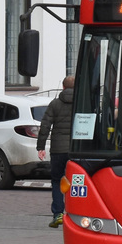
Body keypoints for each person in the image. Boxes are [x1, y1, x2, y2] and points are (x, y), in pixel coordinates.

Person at [36, 76, 75, 228]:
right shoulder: (82, 103)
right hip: (76, 150)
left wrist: (41, 146)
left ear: (63, 88)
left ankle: (58, 213)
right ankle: (74, 214)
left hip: (58, 149)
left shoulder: (55, 104)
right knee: (77, 182)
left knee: (57, 181)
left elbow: (45, 126)